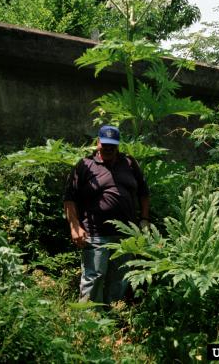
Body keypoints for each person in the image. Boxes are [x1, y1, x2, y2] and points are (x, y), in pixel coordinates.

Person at [64, 125, 150, 306]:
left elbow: (143, 193)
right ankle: (88, 321)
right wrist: (75, 226)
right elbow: (70, 198)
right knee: (94, 276)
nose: (109, 149)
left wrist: (144, 219)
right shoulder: (85, 165)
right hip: (95, 233)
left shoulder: (129, 163)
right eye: (105, 145)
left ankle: (113, 318)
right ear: (98, 143)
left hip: (126, 233)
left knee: (120, 278)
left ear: (118, 145)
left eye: (113, 145)